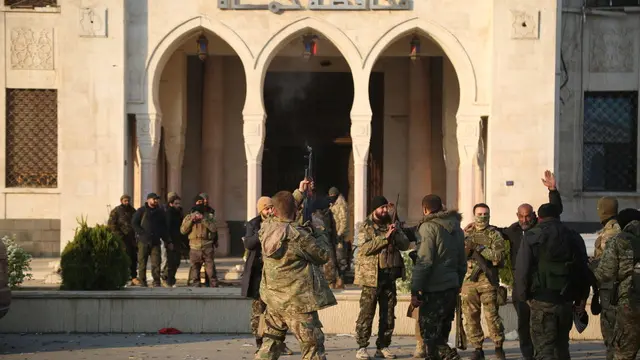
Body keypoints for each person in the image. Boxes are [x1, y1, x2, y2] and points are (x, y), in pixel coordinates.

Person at [255, 191, 336, 360]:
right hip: (298, 302)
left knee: (271, 343)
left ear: (274, 211)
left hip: (274, 301)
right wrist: (318, 230)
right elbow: (323, 255)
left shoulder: (266, 228)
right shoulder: (297, 236)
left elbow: (278, 213)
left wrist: (298, 194)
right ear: (296, 211)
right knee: (313, 348)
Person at [498, 170, 563, 360]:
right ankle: (528, 356)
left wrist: (553, 190)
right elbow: (496, 232)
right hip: (521, 288)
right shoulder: (513, 231)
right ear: (517, 215)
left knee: (543, 327)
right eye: (521, 216)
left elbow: (555, 213)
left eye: (528, 216)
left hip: (540, 287)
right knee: (523, 326)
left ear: (534, 215)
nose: (525, 220)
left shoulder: (541, 230)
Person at [515, 203, 591, 360]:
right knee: (562, 347)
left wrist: (524, 297)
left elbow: (522, 270)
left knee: (543, 350)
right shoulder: (573, 235)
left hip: (541, 301)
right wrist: (581, 300)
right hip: (565, 301)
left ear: (539, 218)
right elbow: (584, 269)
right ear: (558, 216)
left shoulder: (531, 236)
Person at [354, 196, 410, 360]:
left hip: (389, 276)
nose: (385, 211)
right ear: (374, 209)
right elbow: (364, 249)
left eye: (386, 208)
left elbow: (405, 245)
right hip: (371, 278)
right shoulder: (365, 226)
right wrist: (384, 237)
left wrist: (396, 231)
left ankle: (383, 346)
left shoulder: (391, 223)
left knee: (388, 314)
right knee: (366, 314)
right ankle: (362, 346)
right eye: (381, 208)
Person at [411, 194, 465, 360]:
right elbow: (462, 261)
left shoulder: (428, 228)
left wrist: (415, 289)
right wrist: (458, 283)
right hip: (451, 286)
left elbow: (424, 262)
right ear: (442, 207)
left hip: (433, 288)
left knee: (431, 335)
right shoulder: (457, 228)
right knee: (442, 331)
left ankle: (450, 355)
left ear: (425, 209)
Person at [242, 196, 293, 355]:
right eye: (266, 209)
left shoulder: (279, 222)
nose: (270, 211)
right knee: (258, 312)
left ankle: (279, 343)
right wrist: (263, 231)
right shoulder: (254, 224)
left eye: (272, 208)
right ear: (261, 210)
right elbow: (249, 243)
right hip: (258, 274)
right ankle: (259, 343)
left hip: (275, 274)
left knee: (278, 312)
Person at [462, 203, 507, 360]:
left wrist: (480, 248)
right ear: (474, 214)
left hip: (487, 280)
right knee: (470, 316)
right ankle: (477, 348)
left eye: (485, 214)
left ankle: (498, 346)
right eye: (479, 214)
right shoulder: (466, 233)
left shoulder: (494, 234)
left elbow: (498, 256)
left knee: (491, 316)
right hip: (468, 281)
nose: (482, 217)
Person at [594, 208, 640, 360]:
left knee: (624, 353)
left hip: (630, 302)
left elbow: (605, 273)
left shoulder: (619, 240)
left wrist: (593, 268)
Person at [590, 196, 621, 360]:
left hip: (610, 291)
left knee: (611, 335)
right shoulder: (621, 228)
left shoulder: (609, 235)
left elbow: (606, 267)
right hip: (619, 290)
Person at [181, 195, 218, 288]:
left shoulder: (209, 216)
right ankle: (195, 290)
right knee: (194, 272)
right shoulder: (189, 217)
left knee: (211, 271)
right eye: (198, 202)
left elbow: (214, 229)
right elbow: (183, 230)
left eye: (201, 202)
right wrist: (191, 221)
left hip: (207, 247)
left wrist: (203, 219)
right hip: (194, 247)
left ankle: (213, 288)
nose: (200, 205)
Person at [131, 193, 167, 287]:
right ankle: (142, 281)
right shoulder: (141, 211)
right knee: (142, 262)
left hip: (155, 241)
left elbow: (163, 227)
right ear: (148, 200)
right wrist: (141, 233)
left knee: (156, 262)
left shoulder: (160, 212)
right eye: (153, 199)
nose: (155, 201)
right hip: (143, 241)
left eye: (156, 199)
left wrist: (167, 239)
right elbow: (134, 223)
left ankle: (156, 281)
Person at [107, 194, 137, 284]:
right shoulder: (116, 211)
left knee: (133, 258)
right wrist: (119, 235)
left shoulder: (132, 210)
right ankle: (123, 276)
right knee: (123, 258)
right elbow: (111, 224)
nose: (127, 202)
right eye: (125, 201)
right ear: (121, 201)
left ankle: (133, 277)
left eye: (128, 200)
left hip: (131, 239)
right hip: (121, 239)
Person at [328, 187, 348, 289]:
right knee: (332, 259)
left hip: (339, 237)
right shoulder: (332, 204)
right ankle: (333, 280)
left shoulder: (341, 205)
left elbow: (343, 221)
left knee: (340, 259)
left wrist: (339, 234)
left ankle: (340, 280)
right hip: (333, 236)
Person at [163, 194, 184, 287]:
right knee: (171, 261)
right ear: (171, 204)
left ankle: (167, 277)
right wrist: (169, 241)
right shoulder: (169, 213)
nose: (178, 205)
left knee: (177, 261)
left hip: (178, 240)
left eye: (179, 203)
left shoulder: (179, 213)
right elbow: (167, 228)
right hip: (171, 240)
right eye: (176, 203)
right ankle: (169, 280)